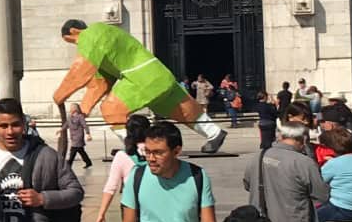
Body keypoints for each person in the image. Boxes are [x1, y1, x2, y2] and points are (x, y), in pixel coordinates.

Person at [56, 19, 228, 155]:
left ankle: (133, 148)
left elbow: (81, 69)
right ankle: (214, 133)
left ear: (74, 31)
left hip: (140, 77)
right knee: (185, 109)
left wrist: (60, 94)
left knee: (111, 108)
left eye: (73, 42)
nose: (77, 45)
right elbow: (99, 84)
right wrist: (83, 109)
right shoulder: (104, 40)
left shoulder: (91, 34)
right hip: (158, 75)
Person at [97, 115, 151, 222]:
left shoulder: (122, 156)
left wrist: (101, 213)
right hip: (155, 204)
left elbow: (111, 187)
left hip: (131, 206)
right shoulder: (156, 153)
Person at [62, 101, 92, 173]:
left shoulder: (80, 117)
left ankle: (69, 165)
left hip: (78, 137)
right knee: (81, 151)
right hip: (73, 136)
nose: (70, 109)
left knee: (73, 150)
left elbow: (85, 125)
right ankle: (88, 162)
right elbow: (66, 124)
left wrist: (88, 134)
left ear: (75, 109)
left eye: (71, 108)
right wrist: (61, 129)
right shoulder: (69, 117)